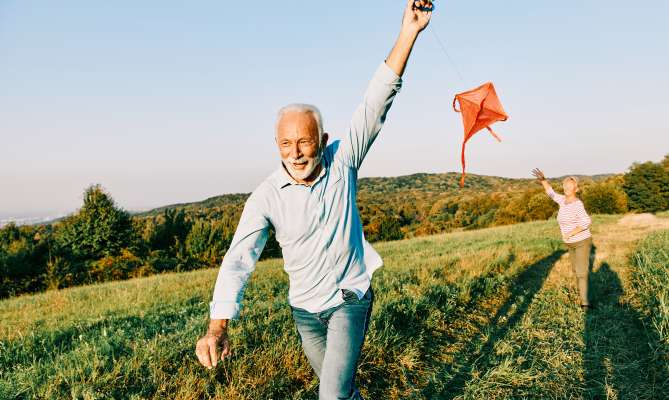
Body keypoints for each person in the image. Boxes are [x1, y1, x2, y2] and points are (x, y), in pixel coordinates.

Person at [195, 2, 433, 398]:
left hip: (348, 299)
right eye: (286, 144)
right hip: (305, 312)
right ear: (277, 146)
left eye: (305, 141)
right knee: (340, 391)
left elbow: (376, 102)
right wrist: (217, 327)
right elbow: (239, 258)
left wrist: (408, 32)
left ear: (322, 140)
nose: (296, 153)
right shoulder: (266, 197)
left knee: (330, 396)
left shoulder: (344, 160)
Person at [532, 168, 593, 310]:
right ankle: (582, 294)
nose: (567, 188)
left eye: (570, 186)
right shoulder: (563, 201)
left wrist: (571, 233)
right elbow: (551, 193)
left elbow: (586, 221)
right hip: (570, 244)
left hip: (581, 241)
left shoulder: (577, 204)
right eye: (565, 185)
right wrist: (543, 180)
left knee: (581, 272)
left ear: (576, 189)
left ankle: (585, 304)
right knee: (575, 270)